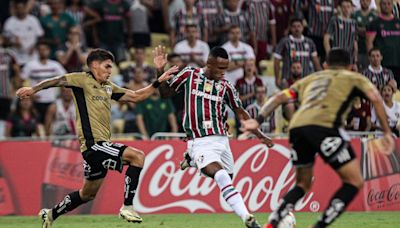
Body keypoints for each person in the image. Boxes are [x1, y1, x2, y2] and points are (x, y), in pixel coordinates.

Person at [16, 48, 179, 227]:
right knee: (137, 156)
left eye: (111, 67)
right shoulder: (81, 80)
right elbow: (57, 81)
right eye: (107, 66)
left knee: (87, 194)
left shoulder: (109, 87)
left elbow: (135, 96)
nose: (110, 71)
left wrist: (158, 81)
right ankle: (127, 206)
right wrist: (33, 89)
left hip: (100, 147)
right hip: (93, 144)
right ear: (94, 65)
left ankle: (51, 214)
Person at [241, 48, 395, 228]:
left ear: (325, 65)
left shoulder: (310, 79)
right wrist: (386, 132)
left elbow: (280, 97)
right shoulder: (354, 77)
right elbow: (375, 98)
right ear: (350, 66)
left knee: (302, 184)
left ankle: (273, 223)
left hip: (297, 127)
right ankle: (319, 226)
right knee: (354, 182)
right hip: (325, 127)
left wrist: (258, 120)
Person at [156, 45, 273, 228]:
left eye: (225, 69)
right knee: (221, 176)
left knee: (228, 176)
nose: (223, 73)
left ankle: (192, 159)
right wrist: (159, 70)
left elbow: (240, 112)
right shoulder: (190, 75)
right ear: (208, 63)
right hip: (200, 141)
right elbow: (165, 94)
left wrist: (260, 134)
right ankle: (247, 218)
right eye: (220, 68)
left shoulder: (226, 87)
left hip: (222, 141)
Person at [22, 41, 67, 123]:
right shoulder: (30, 65)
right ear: (37, 51)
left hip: (52, 100)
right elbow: (22, 81)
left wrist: (61, 94)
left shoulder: (55, 65)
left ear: (49, 51)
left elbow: (65, 80)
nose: (42, 51)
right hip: (35, 102)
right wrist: (30, 95)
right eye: (40, 49)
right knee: (37, 126)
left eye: (45, 49)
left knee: (50, 125)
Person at [274, 18, 321, 89]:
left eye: (299, 26)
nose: (296, 29)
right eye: (294, 26)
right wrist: (277, 78)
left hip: (305, 80)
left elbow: (316, 61)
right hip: (288, 81)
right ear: (290, 28)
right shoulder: (284, 42)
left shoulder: (309, 42)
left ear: (302, 27)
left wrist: (320, 76)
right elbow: (276, 61)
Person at [366, 0, 400, 88]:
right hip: (382, 63)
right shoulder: (374, 23)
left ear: (392, 6)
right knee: (384, 89)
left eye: (389, 4)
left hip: (397, 61)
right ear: (380, 5)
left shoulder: (398, 22)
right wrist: (373, 60)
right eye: (384, 4)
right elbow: (369, 43)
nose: (386, 6)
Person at [3, 0, 44, 66]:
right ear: (15, 9)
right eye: (18, 8)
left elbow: (40, 36)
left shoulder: (33, 20)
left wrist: (34, 46)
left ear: (26, 7)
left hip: (32, 56)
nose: (21, 10)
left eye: (22, 8)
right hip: (16, 57)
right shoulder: (9, 22)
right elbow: (5, 41)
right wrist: (13, 43)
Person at [324, 0, 358, 68]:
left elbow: (355, 42)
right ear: (340, 8)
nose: (346, 9)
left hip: (349, 57)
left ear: (352, 8)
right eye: (344, 7)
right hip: (336, 56)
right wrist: (329, 54)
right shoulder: (334, 20)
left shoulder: (354, 23)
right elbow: (326, 39)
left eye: (348, 7)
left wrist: (355, 60)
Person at [351, 0, 377, 70]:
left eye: (367, 1)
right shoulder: (354, 14)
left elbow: (375, 31)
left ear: (370, 2)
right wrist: (367, 30)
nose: (365, 2)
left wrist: (360, 30)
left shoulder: (374, 16)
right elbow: (352, 29)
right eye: (363, 0)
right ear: (360, 2)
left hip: (369, 49)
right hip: (357, 49)